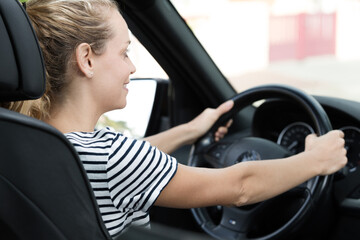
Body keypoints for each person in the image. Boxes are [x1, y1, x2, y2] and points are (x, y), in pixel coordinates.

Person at [6, 0, 347, 238]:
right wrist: (316, 160)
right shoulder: (109, 154)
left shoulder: (29, 141)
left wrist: (189, 131)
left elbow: (126, 161)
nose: (132, 67)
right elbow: (241, 187)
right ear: (86, 59)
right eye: (124, 52)